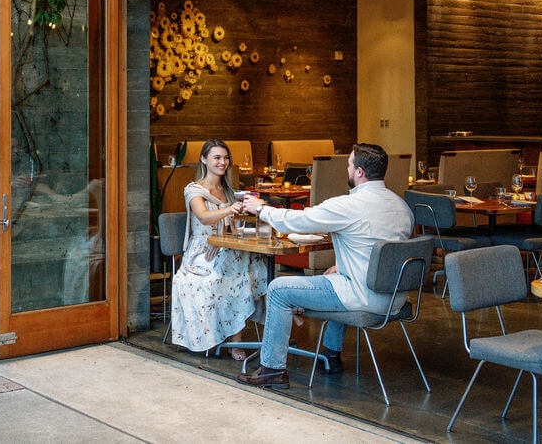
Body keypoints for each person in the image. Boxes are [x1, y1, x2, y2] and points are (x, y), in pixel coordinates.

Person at [236, 143, 413, 389]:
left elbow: (298, 221)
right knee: (336, 278)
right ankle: (331, 354)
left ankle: (272, 369)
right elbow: (378, 248)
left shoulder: (348, 205)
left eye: (349, 165)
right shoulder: (401, 206)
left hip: (364, 297)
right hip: (395, 298)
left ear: (359, 172)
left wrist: (262, 209)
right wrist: (342, 266)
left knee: (277, 290)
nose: (347, 169)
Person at [170, 139, 267, 358]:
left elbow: (231, 227)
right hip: (201, 252)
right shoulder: (194, 190)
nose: (222, 162)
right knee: (239, 268)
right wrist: (229, 210)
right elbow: (203, 217)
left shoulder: (229, 190)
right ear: (204, 160)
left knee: (255, 260)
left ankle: (254, 331)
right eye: (217, 157)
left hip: (226, 246)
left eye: (225, 157)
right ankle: (236, 340)